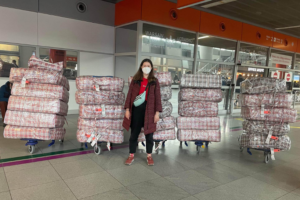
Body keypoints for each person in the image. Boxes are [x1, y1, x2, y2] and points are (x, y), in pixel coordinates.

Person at [123, 59, 162, 166]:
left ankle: (149, 156)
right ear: (141, 67)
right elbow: (129, 95)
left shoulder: (154, 81)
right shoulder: (135, 80)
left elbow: (158, 98)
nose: (146, 67)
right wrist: (127, 109)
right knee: (134, 134)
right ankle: (131, 155)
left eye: (148, 65)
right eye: (144, 65)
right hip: (136, 110)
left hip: (149, 110)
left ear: (151, 68)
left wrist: (157, 113)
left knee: (149, 135)